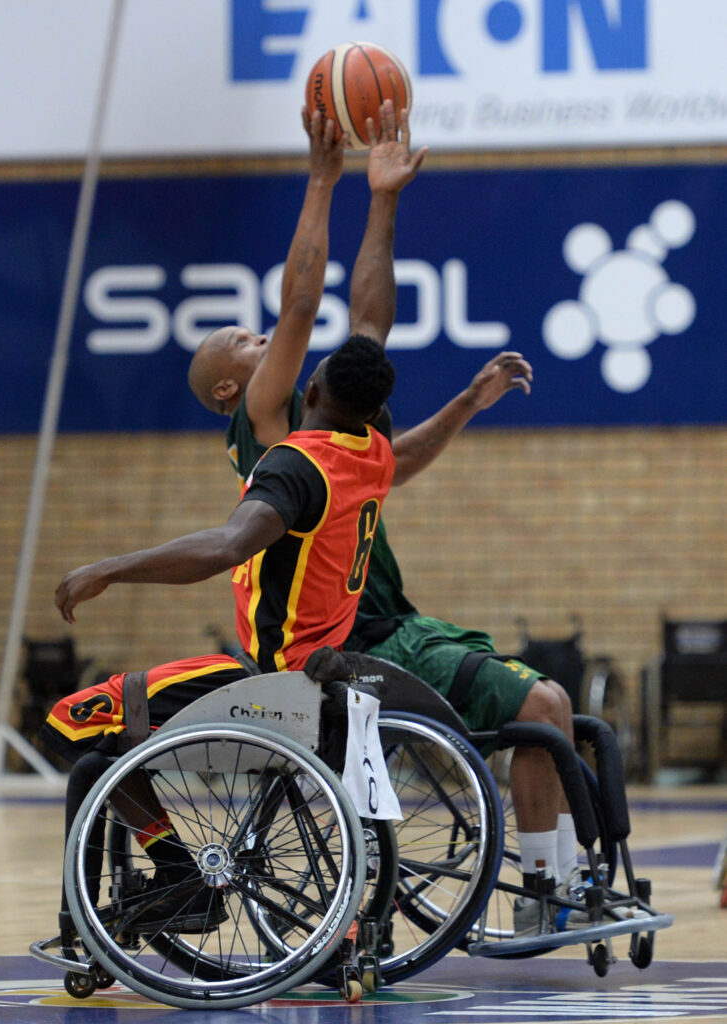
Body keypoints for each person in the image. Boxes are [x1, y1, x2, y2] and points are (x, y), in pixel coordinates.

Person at [187, 102, 589, 937]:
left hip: (392, 629)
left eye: (255, 332)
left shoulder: (340, 428)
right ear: (229, 389)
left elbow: (371, 330)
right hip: (332, 651)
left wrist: (383, 200)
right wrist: (321, 180)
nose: (262, 337)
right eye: (242, 340)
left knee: (545, 704)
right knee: (502, 717)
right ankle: (361, 906)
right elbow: (303, 304)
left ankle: (547, 892)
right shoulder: (263, 424)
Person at [44, 335, 396, 937]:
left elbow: (226, 546)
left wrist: (111, 568)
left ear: (308, 391)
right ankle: (169, 874)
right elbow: (367, 354)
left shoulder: (296, 463)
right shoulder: (375, 448)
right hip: (321, 673)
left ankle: (178, 874)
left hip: (274, 678)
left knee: (69, 723)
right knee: (107, 752)